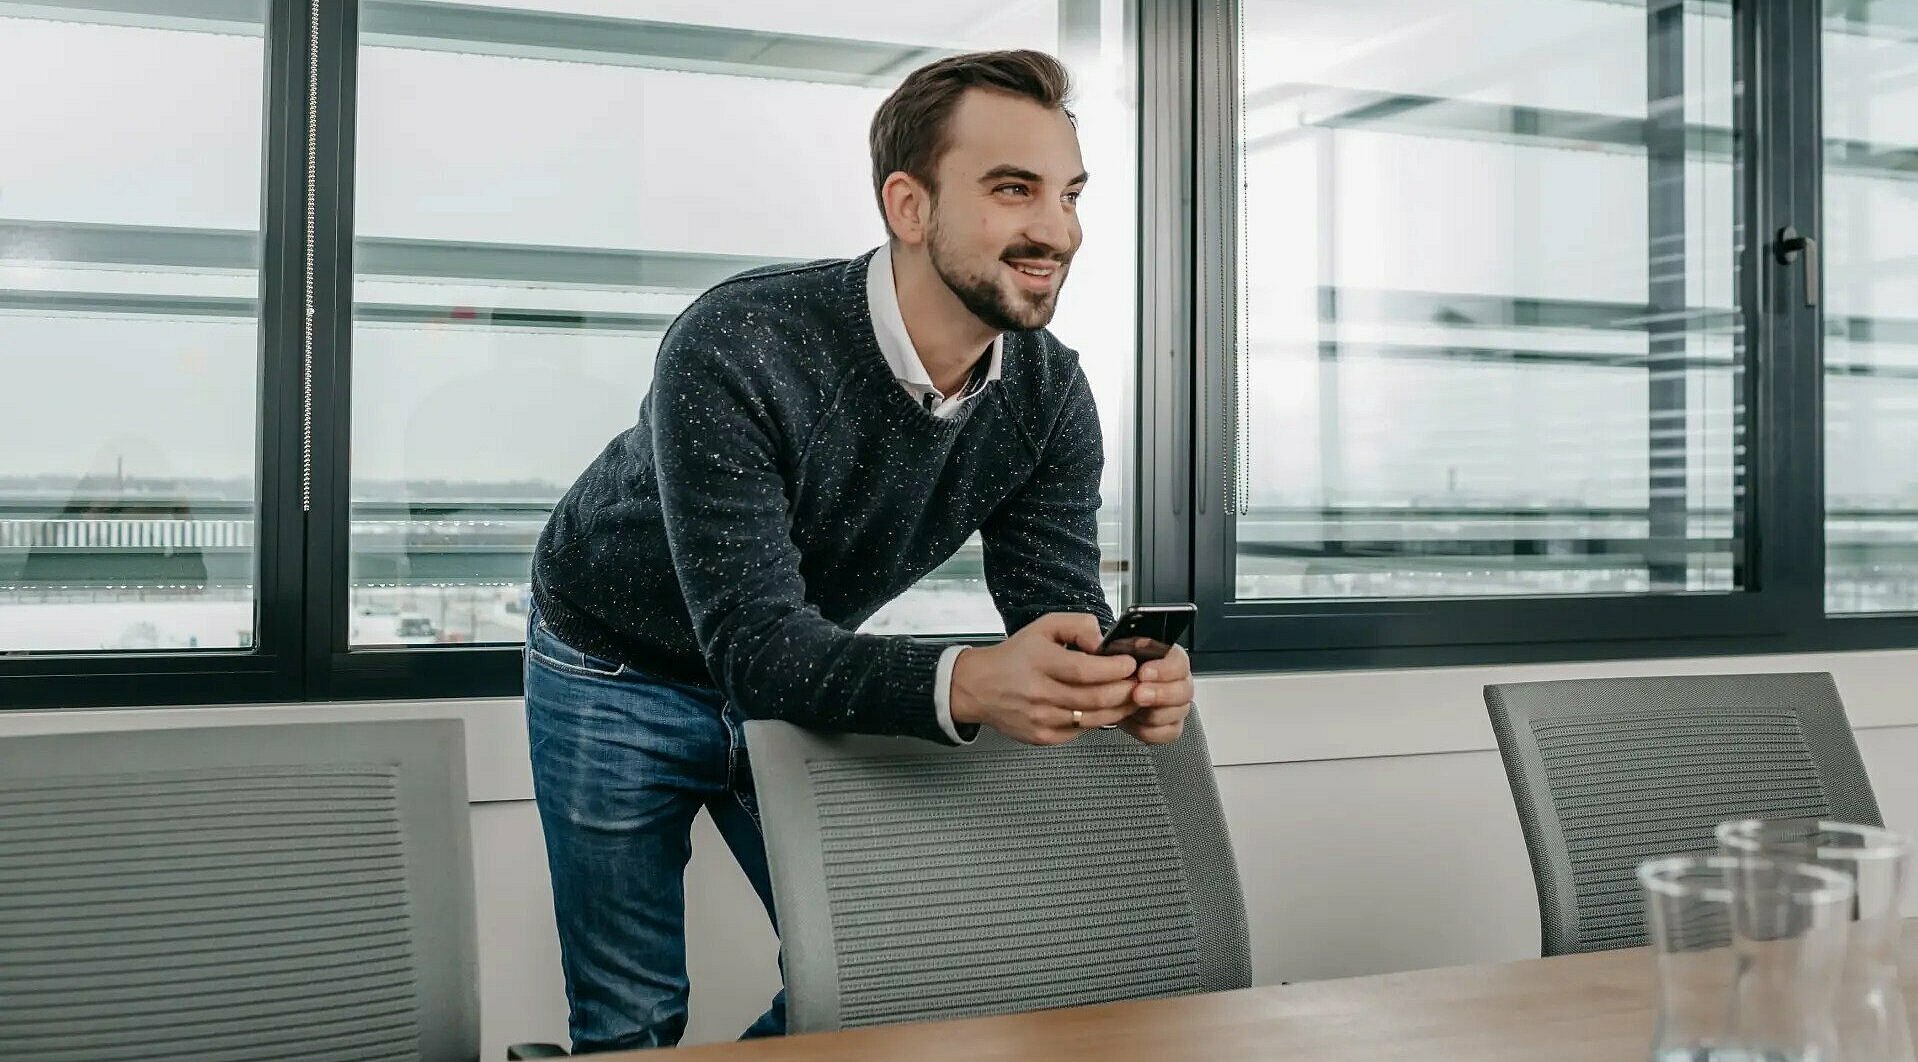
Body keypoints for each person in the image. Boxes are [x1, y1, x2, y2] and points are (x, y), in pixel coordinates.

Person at [524, 49, 1195, 1053]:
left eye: (1069, 194)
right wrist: (967, 681)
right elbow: (753, 647)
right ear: (908, 205)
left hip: (796, 657)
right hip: (615, 662)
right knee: (632, 1017)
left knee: (882, 974)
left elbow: (1052, 605)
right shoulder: (740, 338)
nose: (1056, 230)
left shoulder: (1049, 394)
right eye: (1012, 190)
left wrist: (1111, 681)